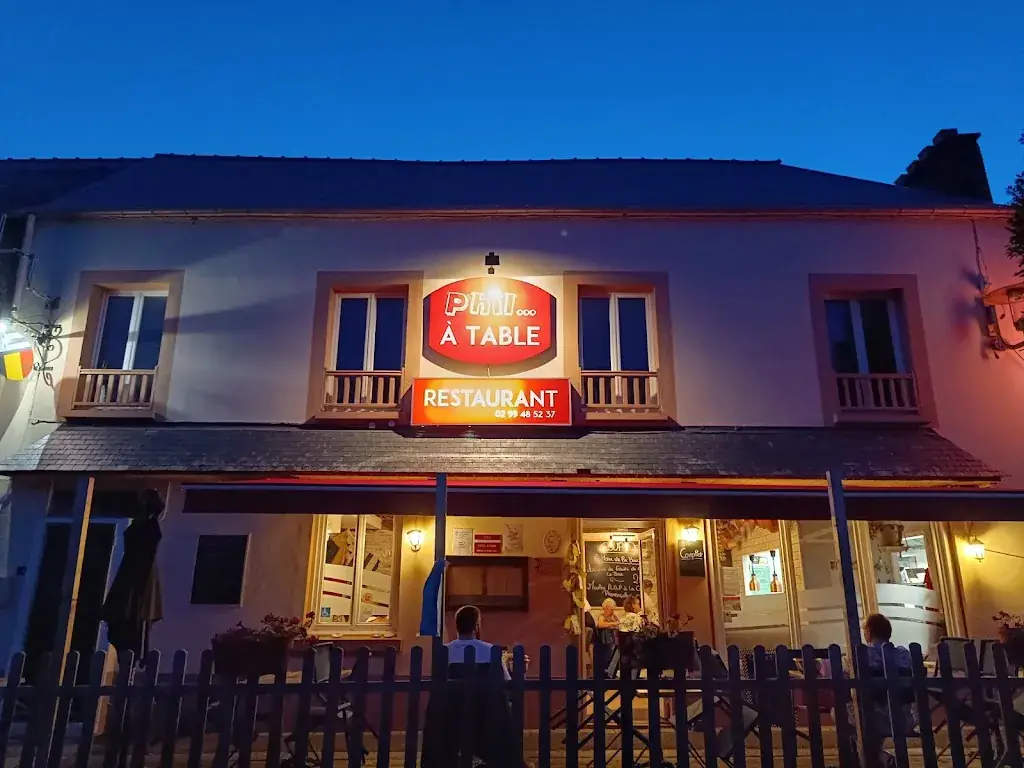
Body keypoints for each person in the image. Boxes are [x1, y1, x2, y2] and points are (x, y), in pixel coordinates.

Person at [446, 605, 510, 680]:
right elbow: (506, 680)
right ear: (476, 625)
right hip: (485, 688)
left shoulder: (445, 651)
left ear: (457, 625)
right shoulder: (491, 651)